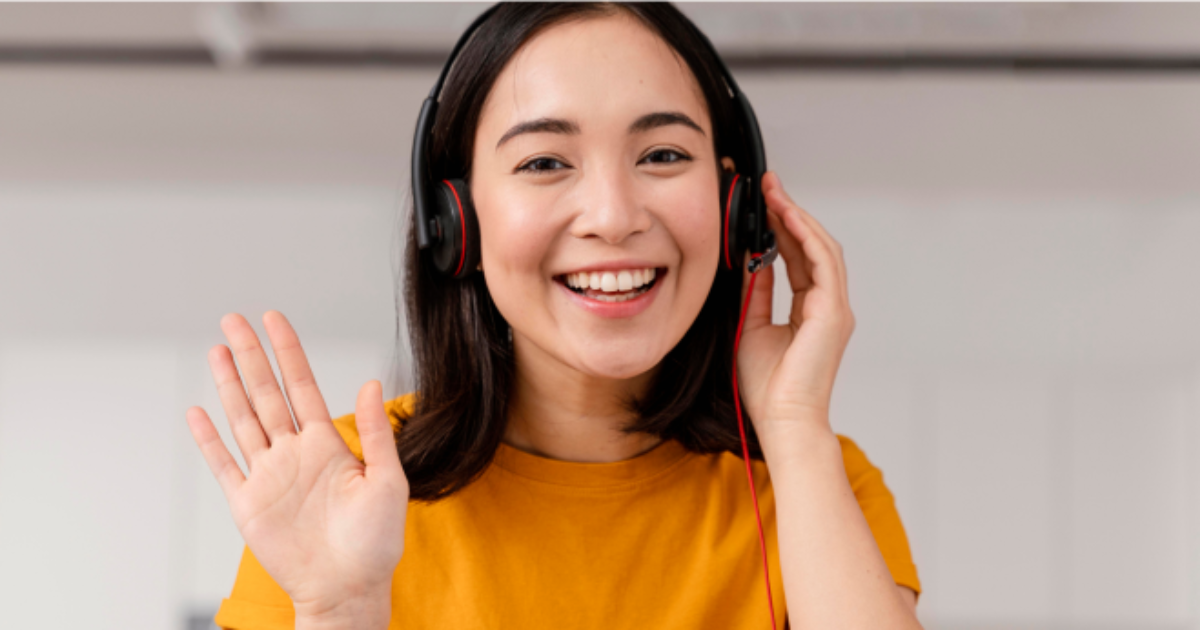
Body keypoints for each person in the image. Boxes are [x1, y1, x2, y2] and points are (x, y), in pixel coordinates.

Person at [185, 3, 923, 629]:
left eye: (663, 154)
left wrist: (793, 425)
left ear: (738, 212)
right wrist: (339, 611)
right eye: (544, 163)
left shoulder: (812, 480)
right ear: (457, 219)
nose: (612, 216)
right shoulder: (341, 491)